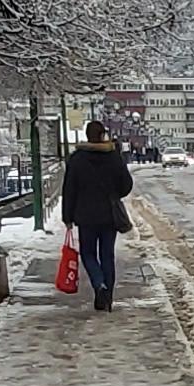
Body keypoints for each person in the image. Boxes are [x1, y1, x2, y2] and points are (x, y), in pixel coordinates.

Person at [59, 120, 132, 311]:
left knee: (88, 253)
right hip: (109, 215)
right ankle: (107, 297)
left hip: (85, 216)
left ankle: (99, 285)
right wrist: (114, 195)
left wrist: (67, 216)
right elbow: (126, 184)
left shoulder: (77, 159)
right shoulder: (113, 157)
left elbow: (69, 189)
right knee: (107, 254)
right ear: (102, 135)